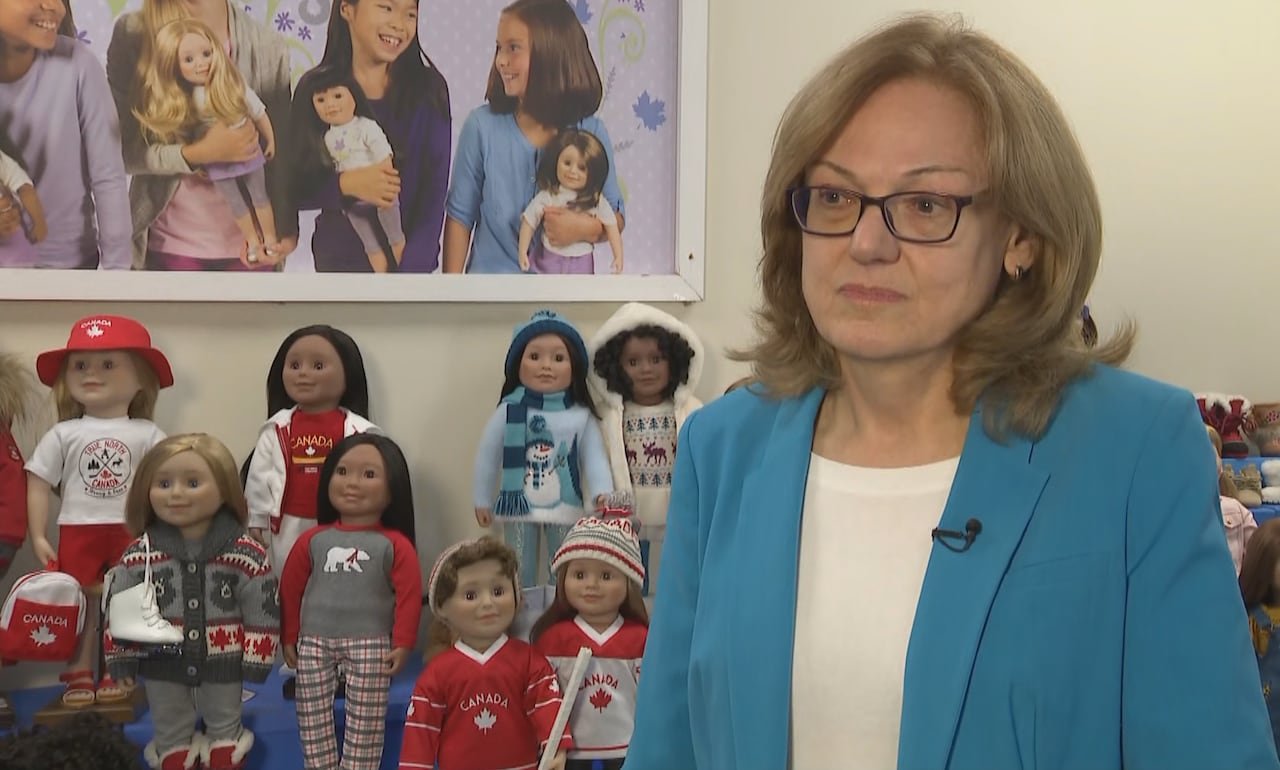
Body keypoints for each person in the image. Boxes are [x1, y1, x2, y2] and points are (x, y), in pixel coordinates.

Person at [626, 13, 1279, 770]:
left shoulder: (1138, 448)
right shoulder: (722, 446)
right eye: (835, 198)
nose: (867, 244)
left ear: (1021, 237)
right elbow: (670, 746)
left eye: (926, 205)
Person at [106, 0, 296, 270]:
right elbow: (118, 150)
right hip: (169, 247)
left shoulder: (268, 46)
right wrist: (197, 154)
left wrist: (285, 235)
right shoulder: (134, 33)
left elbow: (282, 154)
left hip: (250, 252)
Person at [443, 0, 624, 274]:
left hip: (564, 296)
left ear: (551, 53)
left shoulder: (592, 132)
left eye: (513, 48)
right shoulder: (481, 127)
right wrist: (450, 299)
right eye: (498, 48)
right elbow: (459, 218)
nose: (500, 60)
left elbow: (616, 217)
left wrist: (583, 229)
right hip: (491, 297)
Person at [279, 434, 421, 770]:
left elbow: (410, 597)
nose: (352, 483)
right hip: (314, 641)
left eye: (369, 474)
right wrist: (289, 635)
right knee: (310, 712)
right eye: (342, 471)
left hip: (371, 642)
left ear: (393, 488)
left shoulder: (394, 545)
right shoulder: (312, 540)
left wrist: (402, 643)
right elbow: (290, 590)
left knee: (367, 720)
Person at [289, 0, 450, 273]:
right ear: (346, 9)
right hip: (337, 271)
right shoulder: (314, 89)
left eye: (410, 13)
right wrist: (346, 184)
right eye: (386, 7)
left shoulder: (429, 90)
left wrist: (410, 278)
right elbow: (295, 186)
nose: (399, 24)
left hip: (411, 273)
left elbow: (434, 198)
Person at [0, 0, 131, 269]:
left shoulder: (78, 64)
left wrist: (118, 275)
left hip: (69, 270)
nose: (53, 6)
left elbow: (108, 178)